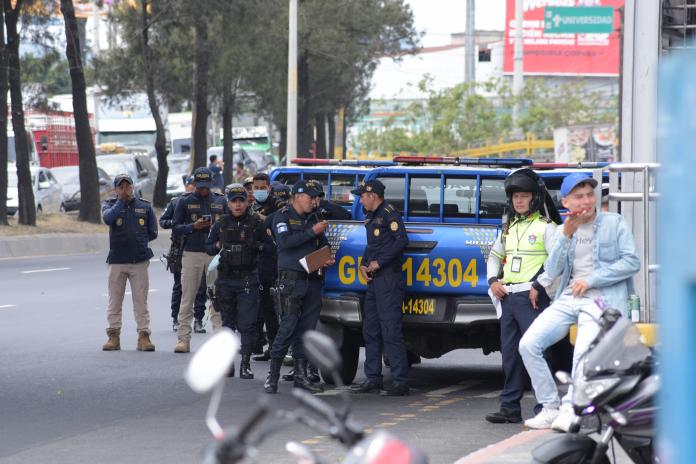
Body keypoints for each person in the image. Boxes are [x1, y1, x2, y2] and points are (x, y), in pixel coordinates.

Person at [519, 173, 640, 431]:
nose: (586, 201)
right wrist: (566, 235)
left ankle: (570, 408)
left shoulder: (614, 222)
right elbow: (550, 271)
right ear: (566, 202)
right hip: (569, 297)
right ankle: (549, 407)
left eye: (589, 195)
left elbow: (632, 262)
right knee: (528, 344)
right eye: (579, 196)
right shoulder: (564, 229)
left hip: (601, 300)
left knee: (581, 353)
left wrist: (592, 279)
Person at [484, 168, 561, 424]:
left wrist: (539, 286)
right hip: (509, 297)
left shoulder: (546, 228)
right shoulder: (509, 228)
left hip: (533, 297)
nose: (519, 201)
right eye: (515, 196)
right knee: (510, 354)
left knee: (538, 351)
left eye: (524, 195)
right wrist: (493, 281)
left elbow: (557, 261)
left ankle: (546, 407)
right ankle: (509, 407)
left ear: (534, 198)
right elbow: (494, 256)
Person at [263, 180, 334, 394]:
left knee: (307, 330)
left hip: (312, 278)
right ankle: (272, 376)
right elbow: (285, 242)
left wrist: (326, 257)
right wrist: (312, 231)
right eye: (311, 197)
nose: (315, 201)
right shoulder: (282, 217)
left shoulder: (315, 218)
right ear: (297, 197)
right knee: (287, 327)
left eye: (317, 197)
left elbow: (325, 245)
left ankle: (301, 376)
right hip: (291, 280)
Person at [349, 179, 410, 396]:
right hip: (374, 280)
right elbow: (373, 245)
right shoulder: (371, 216)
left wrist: (379, 262)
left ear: (372, 195)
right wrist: (364, 264)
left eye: (362, 196)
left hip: (389, 279)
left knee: (390, 330)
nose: (360, 200)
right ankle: (373, 378)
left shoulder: (389, 214)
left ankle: (401, 381)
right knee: (370, 329)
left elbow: (401, 241)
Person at [206, 184, 266, 379]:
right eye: (234, 201)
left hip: (248, 279)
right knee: (227, 324)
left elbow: (271, 247)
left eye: (241, 201)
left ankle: (245, 364)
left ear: (247, 202)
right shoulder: (221, 223)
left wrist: (256, 246)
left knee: (247, 325)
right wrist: (216, 247)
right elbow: (207, 247)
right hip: (225, 280)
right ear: (228, 203)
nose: (238, 205)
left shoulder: (256, 223)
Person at [172, 167, 228, 353]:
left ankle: (219, 337)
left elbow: (229, 225)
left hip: (214, 254)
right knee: (187, 297)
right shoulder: (184, 202)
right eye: (199, 186)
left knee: (216, 296)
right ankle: (183, 339)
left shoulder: (221, 201)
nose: (203, 190)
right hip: (192, 253)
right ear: (194, 183)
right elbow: (175, 227)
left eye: (206, 186)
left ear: (211, 183)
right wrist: (193, 226)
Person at [101, 173, 158, 352]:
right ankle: (113, 336)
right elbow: (108, 219)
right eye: (121, 186)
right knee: (114, 301)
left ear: (133, 186)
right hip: (117, 260)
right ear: (115, 189)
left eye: (128, 186)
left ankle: (144, 336)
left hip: (139, 261)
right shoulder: (110, 205)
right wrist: (121, 201)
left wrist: (139, 241)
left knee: (141, 301)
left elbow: (153, 232)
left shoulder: (144, 206)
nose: (125, 189)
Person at [159, 175, 208, 333]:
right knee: (180, 287)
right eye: (190, 184)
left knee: (202, 287)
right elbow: (164, 222)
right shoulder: (177, 202)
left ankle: (199, 319)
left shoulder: (208, 201)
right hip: (180, 249)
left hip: (199, 248)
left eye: (195, 184)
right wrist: (180, 222)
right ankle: (176, 318)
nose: (192, 187)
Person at [254, 182, 292, 362]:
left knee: (286, 311)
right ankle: (273, 346)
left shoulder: (293, 217)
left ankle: (287, 350)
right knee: (268, 310)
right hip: (267, 266)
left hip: (286, 268)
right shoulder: (265, 214)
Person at [249, 173, 279, 356]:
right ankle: (259, 342)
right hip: (256, 262)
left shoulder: (277, 204)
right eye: (256, 188)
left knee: (272, 308)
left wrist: (264, 219)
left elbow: (280, 221)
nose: (259, 191)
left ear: (269, 187)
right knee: (258, 307)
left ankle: (275, 346)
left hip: (273, 262)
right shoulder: (252, 205)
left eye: (263, 188)